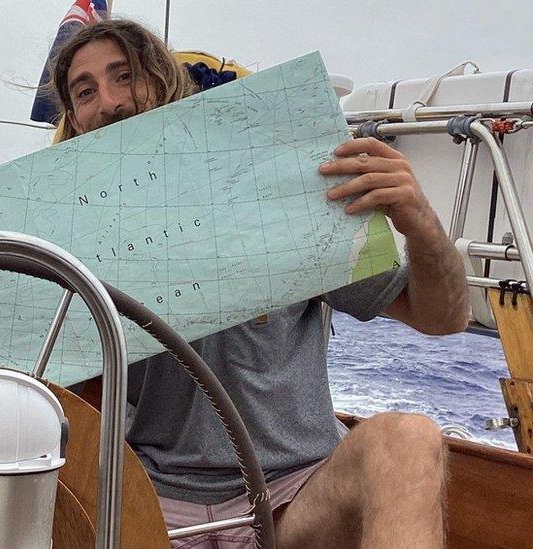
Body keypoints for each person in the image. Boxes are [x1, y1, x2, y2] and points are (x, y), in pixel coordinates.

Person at [48, 19, 469, 548]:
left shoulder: (283, 197)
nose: (109, 101)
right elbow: (3, 366)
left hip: (293, 497)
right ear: (75, 120)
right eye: (86, 92)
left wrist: (421, 223)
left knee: (409, 439)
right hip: (152, 505)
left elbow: (441, 316)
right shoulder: (65, 240)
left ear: (165, 82)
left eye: (125, 76)